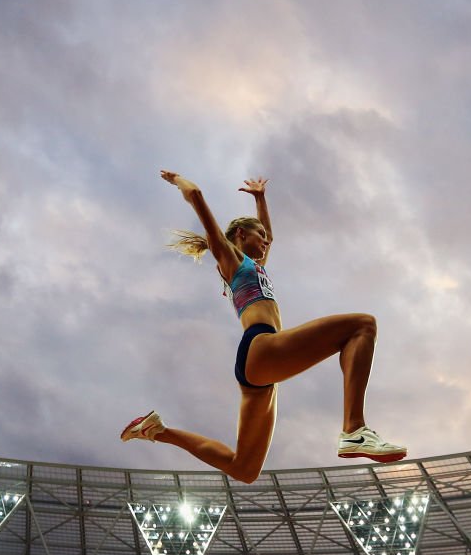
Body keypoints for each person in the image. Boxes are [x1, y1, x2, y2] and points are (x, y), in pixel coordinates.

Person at [120, 170, 406, 483]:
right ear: (240, 234)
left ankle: (157, 431)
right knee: (362, 326)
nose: (266, 240)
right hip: (260, 345)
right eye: (259, 235)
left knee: (245, 469)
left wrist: (260, 200)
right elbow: (197, 196)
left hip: (258, 367)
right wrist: (178, 180)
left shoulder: (255, 265)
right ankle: (354, 429)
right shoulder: (229, 257)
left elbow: (269, 233)